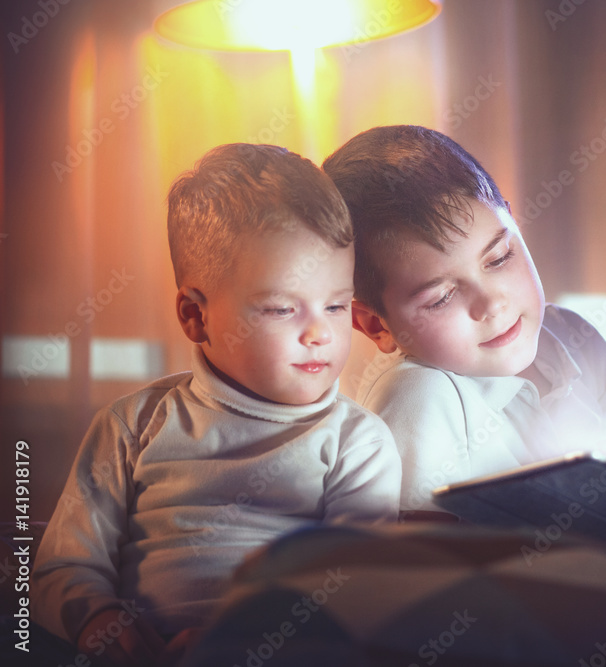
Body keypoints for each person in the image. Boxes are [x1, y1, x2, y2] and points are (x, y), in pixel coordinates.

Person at [31, 143, 401, 666]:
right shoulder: (133, 424)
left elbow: (354, 587)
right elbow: (62, 565)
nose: (320, 332)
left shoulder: (356, 442)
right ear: (195, 316)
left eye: (337, 305)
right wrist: (99, 623)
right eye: (279, 308)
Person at [322, 125, 606, 515]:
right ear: (377, 325)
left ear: (513, 223)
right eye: (442, 297)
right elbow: (421, 557)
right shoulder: (420, 397)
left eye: (499, 258)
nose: (491, 304)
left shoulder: (573, 334)